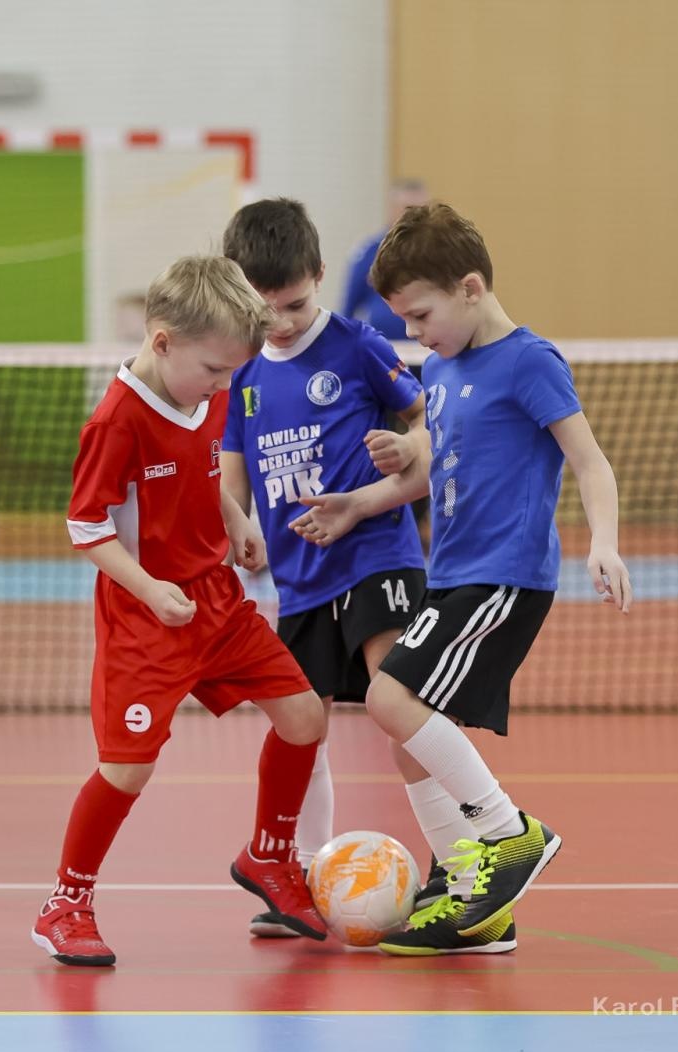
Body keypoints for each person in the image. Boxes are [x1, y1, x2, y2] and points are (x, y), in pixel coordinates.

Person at [328, 203, 631, 954]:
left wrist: (605, 541)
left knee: (389, 697)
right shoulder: (440, 367)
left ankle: (509, 834)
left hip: (503, 576)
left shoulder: (529, 362)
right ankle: (475, 906)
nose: (413, 334)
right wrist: (383, 479)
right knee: (409, 738)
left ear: (469, 287)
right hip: (451, 572)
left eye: (421, 314)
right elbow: (437, 465)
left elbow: (589, 461)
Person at [33, 255, 329, 967]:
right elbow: (87, 526)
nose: (225, 385)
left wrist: (234, 516)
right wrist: (147, 588)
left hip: (219, 603)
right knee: (127, 770)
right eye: (215, 370)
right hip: (147, 618)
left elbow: (201, 469)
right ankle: (66, 903)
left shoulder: (206, 390)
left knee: (305, 717)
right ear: (162, 341)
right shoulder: (116, 421)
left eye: (232, 373)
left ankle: (270, 855)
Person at [219, 198, 432, 939]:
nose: (280, 321)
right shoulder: (242, 371)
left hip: (378, 555)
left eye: (295, 303)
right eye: (263, 308)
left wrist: (406, 457)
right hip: (299, 582)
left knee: (397, 704)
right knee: (299, 724)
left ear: (318, 274)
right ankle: (303, 872)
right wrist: (237, 525)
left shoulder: (356, 343)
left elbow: (422, 420)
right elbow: (230, 474)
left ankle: (455, 861)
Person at [340, 179, 431, 340]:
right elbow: (349, 307)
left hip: (427, 345)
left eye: (420, 210)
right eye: (407, 209)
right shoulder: (368, 251)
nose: (414, 217)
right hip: (381, 347)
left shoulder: (439, 253)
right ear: (392, 210)